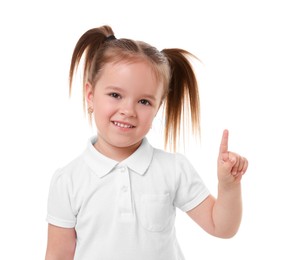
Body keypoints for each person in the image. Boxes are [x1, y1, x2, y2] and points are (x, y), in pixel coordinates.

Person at [45, 25, 248, 260]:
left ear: (158, 107)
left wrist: (229, 186)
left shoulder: (173, 169)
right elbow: (58, 255)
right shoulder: (68, 180)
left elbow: (221, 227)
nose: (128, 110)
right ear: (90, 95)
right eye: (115, 95)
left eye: (143, 101)